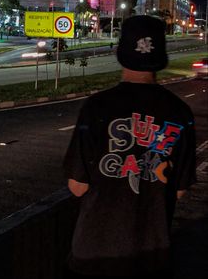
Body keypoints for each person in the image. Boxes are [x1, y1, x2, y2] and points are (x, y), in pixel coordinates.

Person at [63, 15, 196, 278]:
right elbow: (179, 191)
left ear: (119, 52)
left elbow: (77, 186)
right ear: (161, 55)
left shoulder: (96, 108)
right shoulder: (181, 114)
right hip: (151, 253)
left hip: (94, 253)